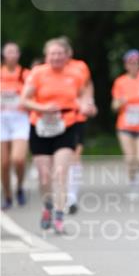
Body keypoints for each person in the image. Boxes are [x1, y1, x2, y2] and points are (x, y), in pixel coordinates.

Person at [20, 38, 87, 234]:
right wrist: (43, 108)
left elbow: (82, 95)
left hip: (66, 126)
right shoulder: (38, 73)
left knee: (60, 173)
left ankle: (59, 215)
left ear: (67, 55)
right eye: (52, 54)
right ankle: (48, 207)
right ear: (46, 56)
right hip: (40, 126)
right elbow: (24, 100)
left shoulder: (75, 74)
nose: (56, 57)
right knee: (44, 176)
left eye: (60, 53)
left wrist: (86, 105)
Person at [58, 37, 97, 215]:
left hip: (77, 117)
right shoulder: (50, 70)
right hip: (56, 119)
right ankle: (61, 194)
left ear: (70, 53)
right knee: (60, 160)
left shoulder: (80, 67)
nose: (61, 57)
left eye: (64, 53)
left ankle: (72, 196)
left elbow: (88, 85)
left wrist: (89, 102)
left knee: (75, 155)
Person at [111, 49, 139, 191]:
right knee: (130, 158)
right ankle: (133, 183)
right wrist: (120, 102)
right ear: (126, 65)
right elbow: (114, 105)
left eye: (136, 63)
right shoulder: (120, 82)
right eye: (130, 63)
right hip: (125, 125)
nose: (133, 65)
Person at [1, 42, 30, 209]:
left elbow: (35, 94)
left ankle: (19, 186)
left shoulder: (25, 75)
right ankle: (7, 195)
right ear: (4, 55)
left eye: (14, 52)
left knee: (18, 159)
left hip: (20, 118)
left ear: (18, 55)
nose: (11, 55)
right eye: (8, 52)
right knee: (3, 163)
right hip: (2, 120)